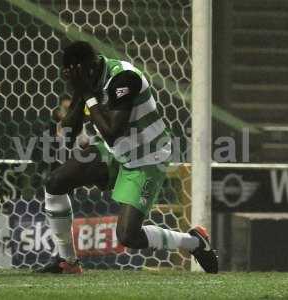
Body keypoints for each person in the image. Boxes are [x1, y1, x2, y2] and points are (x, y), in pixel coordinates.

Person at [37, 41, 218, 274]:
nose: (74, 79)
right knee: (55, 183)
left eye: (76, 75)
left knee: (127, 236)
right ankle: (67, 262)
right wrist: (80, 94)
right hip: (116, 153)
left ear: (89, 68)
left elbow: (113, 133)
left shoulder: (124, 79)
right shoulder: (89, 81)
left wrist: (88, 94)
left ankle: (194, 242)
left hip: (147, 158)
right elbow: (71, 129)